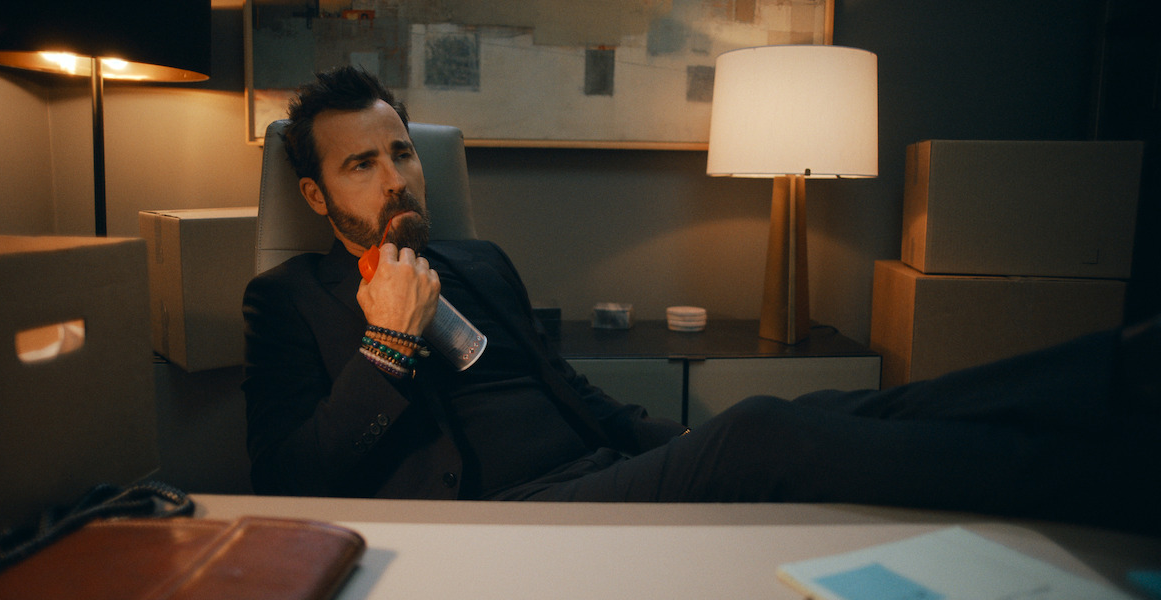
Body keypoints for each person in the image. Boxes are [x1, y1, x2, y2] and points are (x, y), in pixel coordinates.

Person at [243, 66, 1160, 533]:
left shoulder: (478, 257)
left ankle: (1115, 382)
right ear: (318, 197)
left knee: (847, 407)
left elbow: (576, 393)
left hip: (599, 473)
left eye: (401, 152)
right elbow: (287, 481)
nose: (395, 176)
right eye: (361, 164)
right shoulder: (286, 303)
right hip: (510, 512)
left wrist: (674, 445)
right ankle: (1093, 482)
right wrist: (387, 348)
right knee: (760, 430)